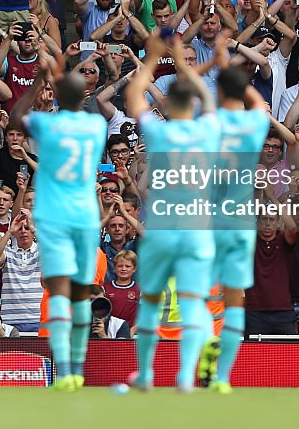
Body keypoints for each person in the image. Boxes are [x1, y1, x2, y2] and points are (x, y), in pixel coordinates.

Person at [124, 33, 219, 392]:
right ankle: (188, 374)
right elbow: (209, 100)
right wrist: (187, 67)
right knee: (195, 302)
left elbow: (135, 97)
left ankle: (146, 375)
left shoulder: (162, 134)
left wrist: (153, 58)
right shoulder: (207, 132)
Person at [10, 52, 108, 390]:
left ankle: (64, 370)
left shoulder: (47, 123)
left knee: (59, 293)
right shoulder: (97, 125)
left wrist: (39, 83)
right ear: (84, 96)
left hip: (53, 217)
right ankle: (78, 368)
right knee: (81, 294)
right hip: (84, 215)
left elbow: (16, 117)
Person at [200, 60, 271, 393]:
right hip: (240, 222)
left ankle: (205, 344)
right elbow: (261, 104)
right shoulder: (253, 124)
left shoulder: (208, 124)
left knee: (201, 295)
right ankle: (223, 374)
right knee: (235, 298)